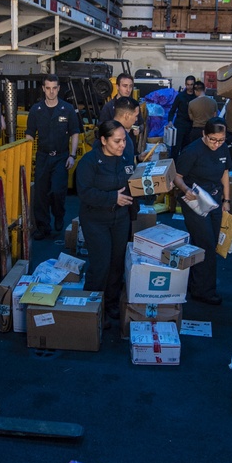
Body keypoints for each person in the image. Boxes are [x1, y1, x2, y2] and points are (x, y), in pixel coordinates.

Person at [76, 120, 135, 327]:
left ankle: (110, 303)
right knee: (101, 264)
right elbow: (84, 193)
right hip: (96, 220)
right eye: (117, 141)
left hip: (121, 219)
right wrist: (112, 198)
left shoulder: (126, 158)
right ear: (103, 140)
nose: (122, 145)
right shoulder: (89, 162)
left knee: (117, 263)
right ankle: (93, 306)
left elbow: (132, 185)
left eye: (124, 141)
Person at [172, 118, 232, 306]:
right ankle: (204, 290)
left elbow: (225, 173)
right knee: (204, 241)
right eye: (213, 139)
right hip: (195, 200)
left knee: (212, 242)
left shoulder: (223, 148)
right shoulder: (192, 151)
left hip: (214, 199)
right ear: (204, 135)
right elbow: (176, 176)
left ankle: (196, 282)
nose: (216, 144)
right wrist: (185, 190)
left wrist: (227, 200)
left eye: (220, 140)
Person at [25, 74, 81, 239]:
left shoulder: (67, 109)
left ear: (58, 89)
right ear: (43, 89)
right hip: (42, 156)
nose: (51, 92)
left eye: (54, 88)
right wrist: (27, 156)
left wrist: (72, 155)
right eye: (48, 88)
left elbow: (75, 133)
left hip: (61, 157)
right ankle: (43, 227)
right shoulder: (36, 110)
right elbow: (29, 135)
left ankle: (58, 215)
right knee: (40, 194)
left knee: (57, 190)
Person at [167, 74, 195, 159]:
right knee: (175, 147)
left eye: (191, 85)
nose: (189, 87)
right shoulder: (180, 96)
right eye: (188, 84)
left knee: (187, 148)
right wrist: (170, 121)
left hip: (191, 125)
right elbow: (172, 110)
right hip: (180, 124)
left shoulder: (196, 97)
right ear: (185, 84)